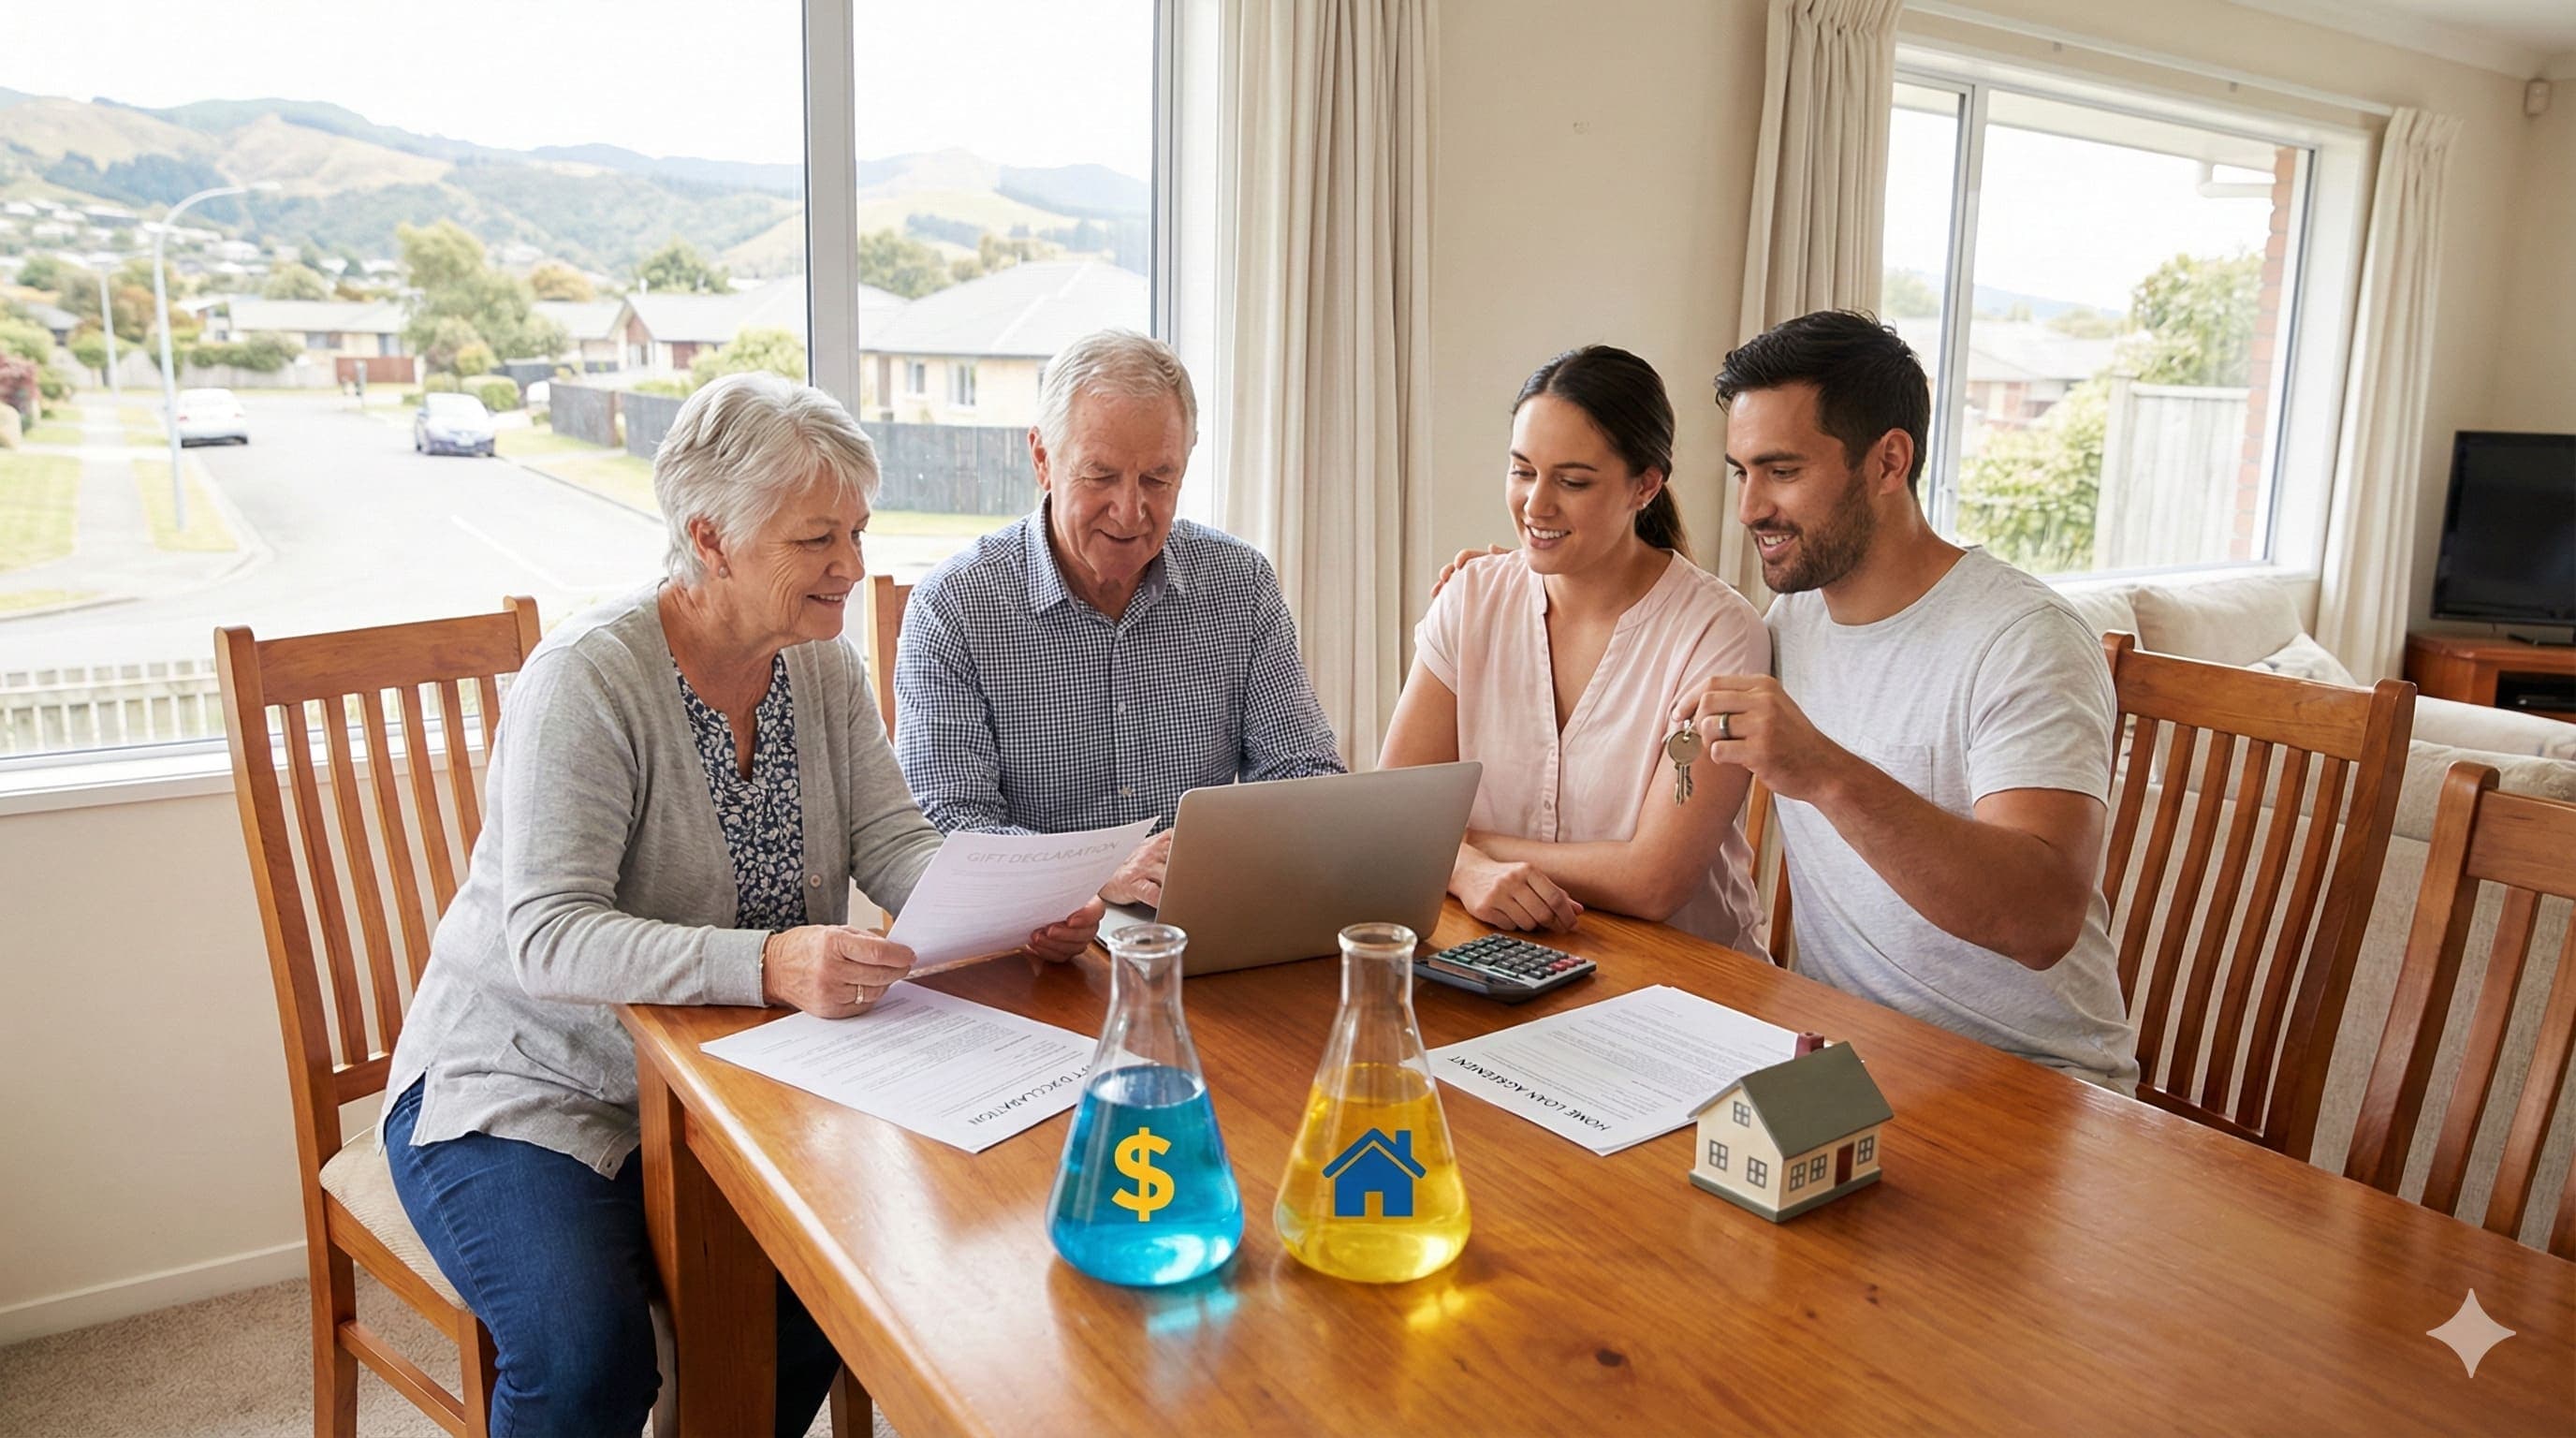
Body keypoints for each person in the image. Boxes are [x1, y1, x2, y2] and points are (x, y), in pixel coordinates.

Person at [381, 373, 1103, 1436]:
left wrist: (1013, 906)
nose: (850, 567)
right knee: (590, 1358)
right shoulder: (589, 679)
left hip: (736, 1081)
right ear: (710, 537)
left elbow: (895, 841)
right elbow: (547, 935)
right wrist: (765, 965)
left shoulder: (821, 667)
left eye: (855, 530)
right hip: (528, 1085)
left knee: (837, 1285)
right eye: (817, 539)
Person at [1675, 310, 2138, 1091]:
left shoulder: (2025, 639)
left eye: (1782, 471)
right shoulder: (1795, 618)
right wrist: (1520, 584)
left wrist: (1823, 770)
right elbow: (1659, 607)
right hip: (1847, 1062)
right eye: (1741, 472)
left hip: (2031, 1082)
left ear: (1888, 462)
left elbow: (2042, 920)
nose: (1751, 507)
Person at [895, 330, 1345, 905]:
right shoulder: (955, 605)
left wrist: (1228, 857)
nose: (1131, 511)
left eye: (1158, 478)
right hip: (1030, 942)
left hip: (1192, 926)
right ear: (1042, 459)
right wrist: (1093, 877)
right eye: (1101, 475)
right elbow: (950, 827)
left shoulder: (1240, 583)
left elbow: (1303, 772)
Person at [1382, 345, 1768, 954]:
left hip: (1684, 977)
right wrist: (1467, 869)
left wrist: (1461, 840)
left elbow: (1654, 881)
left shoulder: (1717, 633)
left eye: (1572, 480)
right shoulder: (1472, 599)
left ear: (1645, 485)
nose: (1536, 504)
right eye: (1522, 470)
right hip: (1505, 955)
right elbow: (1393, 812)